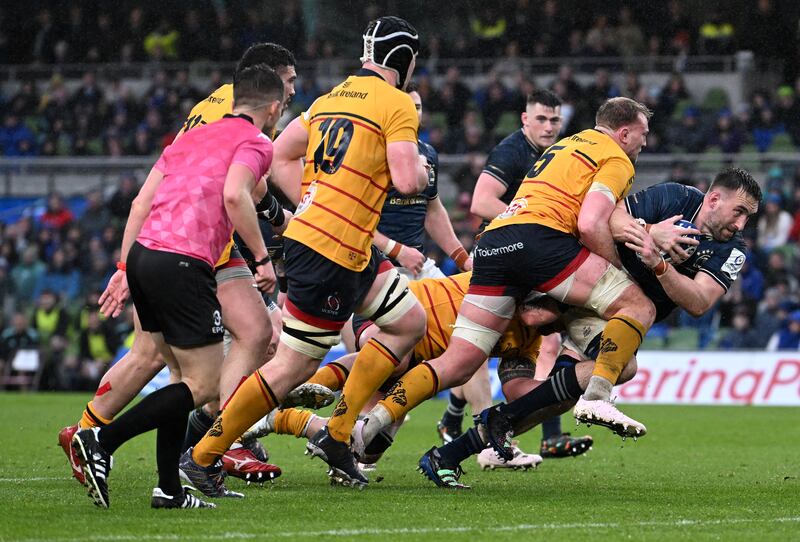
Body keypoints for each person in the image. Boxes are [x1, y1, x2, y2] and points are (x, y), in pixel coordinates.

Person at [180, 15, 429, 489]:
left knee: (408, 324)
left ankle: (337, 434)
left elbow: (277, 154)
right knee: (291, 365)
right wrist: (421, 168)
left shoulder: (331, 97)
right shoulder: (397, 103)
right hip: (330, 252)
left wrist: (314, 200)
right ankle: (203, 454)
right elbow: (406, 181)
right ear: (405, 59)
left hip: (343, 246)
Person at [358, 97, 656, 465]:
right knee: (638, 305)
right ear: (624, 132)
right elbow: (590, 223)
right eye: (643, 134)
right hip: (537, 244)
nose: (646, 142)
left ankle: (368, 425)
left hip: (495, 243)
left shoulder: (567, 144)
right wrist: (615, 271)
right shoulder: (615, 157)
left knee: (460, 361)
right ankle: (596, 397)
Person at [420, 167, 761, 487]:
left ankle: (448, 454)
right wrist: (649, 232)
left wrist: (658, 265)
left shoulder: (732, 250)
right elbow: (610, 215)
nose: (742, 224)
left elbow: (700, 302)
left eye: (748, 217)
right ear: (714, 199)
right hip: (587, 284)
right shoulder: (675, 197)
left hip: (613, 318)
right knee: (617, 366)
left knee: (556, 400)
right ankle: (403, 397)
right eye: (739, 212)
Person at [58, 43, 299, 486]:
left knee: (182, 356)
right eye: (288, 84)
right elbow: (241, 191)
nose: (291, 97)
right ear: (265, 85)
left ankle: (165, 469)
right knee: (201, 358)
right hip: (194, 250)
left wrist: (124, 265)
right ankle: (216, 438)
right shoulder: (247, 131)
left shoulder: (204, 119)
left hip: (155, 244)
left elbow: (143, 199)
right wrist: (277, 238)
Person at [446, 88, 591, 459]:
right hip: (505, 255)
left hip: (527, 257)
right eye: (541, 118)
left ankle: (471, 423)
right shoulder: (512, 151)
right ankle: (470, 425)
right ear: (525, 119)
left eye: (555, 120)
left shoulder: (557, 154)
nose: (548, 126)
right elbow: (481, 202)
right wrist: (532, 225)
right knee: (476, 348)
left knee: (540, 337)